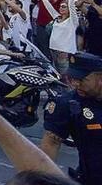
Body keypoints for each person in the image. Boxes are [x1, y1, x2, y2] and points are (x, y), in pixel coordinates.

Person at [41, 52, 102, 184]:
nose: (75, 84)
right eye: (72, 78)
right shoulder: (67, 104)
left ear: (100, 78)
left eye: (82, 79)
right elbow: (50, 144)